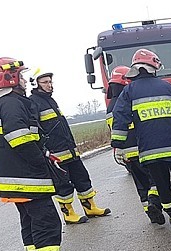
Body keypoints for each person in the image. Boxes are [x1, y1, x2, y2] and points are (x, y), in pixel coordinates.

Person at [0, 58, 83, 251]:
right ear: (9, 78)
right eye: (21, 76)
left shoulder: (0, 104)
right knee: (47, 223)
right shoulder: (12, 104)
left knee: (30, 224)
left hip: (15, 179)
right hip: (29, 178)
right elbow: (21, 140)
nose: (24, 80)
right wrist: (43, 163)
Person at [110, 49, 171, 240]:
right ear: (154, 67)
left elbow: (120, 118)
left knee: (162, 187)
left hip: (150, 153)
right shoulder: (168, 88)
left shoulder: (129, 91)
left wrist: (118, 145)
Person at [28, 68, 111, 224]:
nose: (49, 85)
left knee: (82, 178)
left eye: (50, 82)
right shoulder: (33, 102)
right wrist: (45, 150)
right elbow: (36, 129)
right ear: (36, 84)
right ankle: (68, 213)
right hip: (56, 154)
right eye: (45, 82)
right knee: (63, 185)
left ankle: (90, 207)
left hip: (70, 150)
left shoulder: (50, 100)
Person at [105, 65, 164, 225]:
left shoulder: (110, 106)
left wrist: (118, 150)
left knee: (141, 185)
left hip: (126, 154)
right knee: (156, 180)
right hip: (143, 149)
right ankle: (154, 202)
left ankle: (150, 212)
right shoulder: (129, 99)